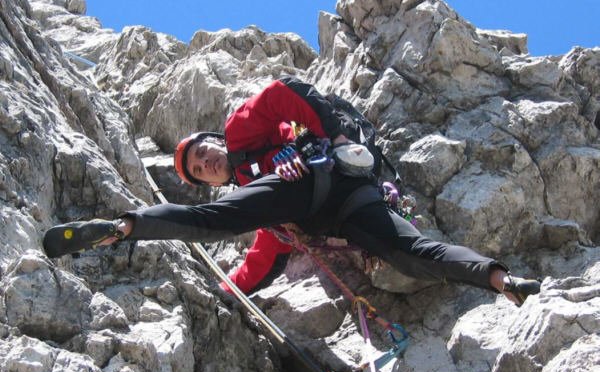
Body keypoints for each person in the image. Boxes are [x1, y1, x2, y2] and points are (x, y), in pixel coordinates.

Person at [43, 77, 541, 306]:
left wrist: (336, 134)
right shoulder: (252, 195)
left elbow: (286, 93)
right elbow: (261, 261)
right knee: (407, 251)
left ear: (216, 142)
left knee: (408, 250)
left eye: (205, 153)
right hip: (338, 205)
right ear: (208, 182)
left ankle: (498, 278)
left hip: (324, 177)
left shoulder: (241, 132)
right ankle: (122, 227)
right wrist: (228, 291)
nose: (209, 163)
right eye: (200, 170)